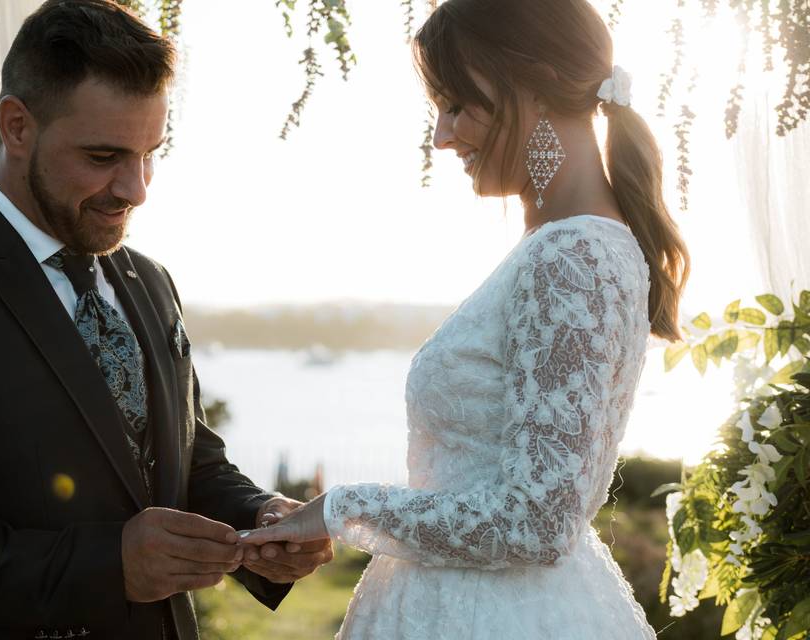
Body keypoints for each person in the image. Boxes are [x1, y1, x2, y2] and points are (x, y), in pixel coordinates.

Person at [0, 1, 331, 638]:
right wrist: (108, 566)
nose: (136, 188)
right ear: (16, 127)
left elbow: (184, 460)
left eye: (150, 153)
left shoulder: (150, 281)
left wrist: (263, 516)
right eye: (104, 156)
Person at [239, 0, 691, 637]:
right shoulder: (578, 244)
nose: (441, 136)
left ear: (528, 85)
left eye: (456, 105)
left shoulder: (570, 255)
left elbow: (536, 522)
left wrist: (342, 508)